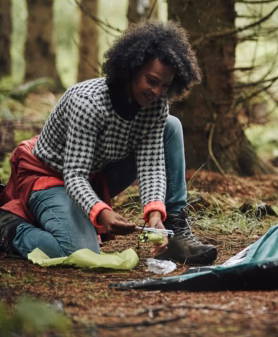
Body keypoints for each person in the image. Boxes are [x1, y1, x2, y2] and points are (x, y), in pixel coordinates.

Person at [0, 21, 217, 265]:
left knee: (171, 125)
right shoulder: (88, 103)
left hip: (96, 173)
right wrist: (102, 213)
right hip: (50, 177)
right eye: (151, 81)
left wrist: (154, 214)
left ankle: (175, 231)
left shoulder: (156, 105)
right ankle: (12, 229)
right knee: (80, 250)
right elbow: (74, 175)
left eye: (165, 85)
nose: (157, 92)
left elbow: (151, 164)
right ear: (132, 70)